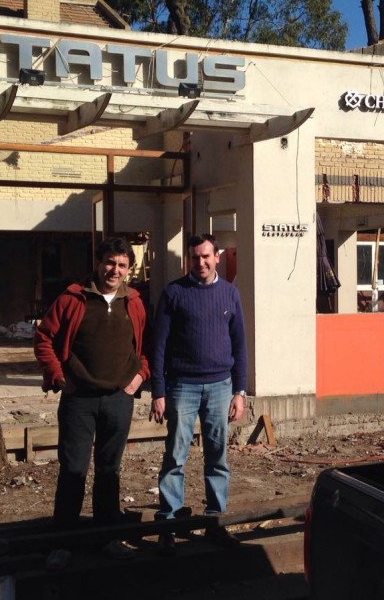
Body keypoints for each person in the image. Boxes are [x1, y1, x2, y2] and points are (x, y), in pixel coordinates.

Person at [34, 237, 149, 557]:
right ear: (98, 264)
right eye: (110, 262)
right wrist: (57, 375)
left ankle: (107, 537)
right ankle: (63, 543)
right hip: (79, 400)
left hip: (118, 400)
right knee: (73, 470)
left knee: (110, 471)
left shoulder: (135, 302)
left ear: (129, 269)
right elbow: (44, 338)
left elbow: (145, 347)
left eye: (122, 265)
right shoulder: (73, 299)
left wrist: (140, 376)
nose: (115, 270)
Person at [149, 233, 248, 555]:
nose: (201, 262)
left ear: (217, 256)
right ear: (188, 260)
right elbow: (159, 345)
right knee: (175, 456)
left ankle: (214, 519)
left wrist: (240, 391)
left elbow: (240, 345)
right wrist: (159, 391)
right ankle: (169, 520)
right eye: (195, 257)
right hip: (182, 387)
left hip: (220, 387)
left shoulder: (230, 293)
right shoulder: (174, 293)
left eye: (206, 256)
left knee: (217, 457)